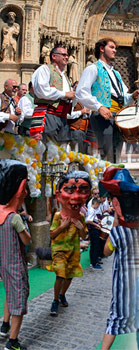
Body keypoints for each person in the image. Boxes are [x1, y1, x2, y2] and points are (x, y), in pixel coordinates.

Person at [99, 167, 139, 349]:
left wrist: (114, 223)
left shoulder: (118, 233)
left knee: (115, 319)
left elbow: (106, 251)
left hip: (123, 286)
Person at [76, 38, 139, 162]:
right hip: (102, 116)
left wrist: (133, 96)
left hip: (118, 117)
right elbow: (81, 91)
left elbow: (123, 97)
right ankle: (105, 179)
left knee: (117, 154)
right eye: (111, 47)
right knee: (107, 153)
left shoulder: (116, 73)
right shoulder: (93, 68)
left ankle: (115, 179)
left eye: (115, 48)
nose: (115, 50)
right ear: (102, 49)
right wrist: (98, 107)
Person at [46, 171, 91, 317]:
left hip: (74, 250)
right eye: (70, 191)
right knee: (60, 275)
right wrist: (63, 227)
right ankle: (54, 300)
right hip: (59, 249)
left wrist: (80, 229)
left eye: (83, 191)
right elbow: (52, 234)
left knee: (69, 276)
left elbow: (84, 235)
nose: (76, 196)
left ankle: (62, 295)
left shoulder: (81, 217)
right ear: (59, 196)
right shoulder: (59, 216)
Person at [0, 159, 31, 350]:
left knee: (10, 293)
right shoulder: (14, 218)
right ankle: (13, 342)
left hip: (3, 265)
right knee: (18, 300)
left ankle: (4, 324)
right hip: (15, 265)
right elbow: (27, 240)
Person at [31, 47, 75, 143]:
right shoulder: (44, 69)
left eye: (67, 55)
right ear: (54, 56)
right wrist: (64, 94)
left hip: (63, 117)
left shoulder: (65, 75)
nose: (67, 57)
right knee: (47, 145)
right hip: (49, 113)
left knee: (60, 149)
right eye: (64, 55)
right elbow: (42, 90)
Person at [85, 197, 103, 270]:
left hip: (93, 229)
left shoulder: (92, 210)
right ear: (95, 204)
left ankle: (95, 260)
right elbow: (88, 220)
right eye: (98, 205)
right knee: (95, 246)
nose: (98, 207)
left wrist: (97, 220)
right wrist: (96, 225)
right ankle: (94, 263)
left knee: (94, 246)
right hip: (93, 229)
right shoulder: (92, 210)